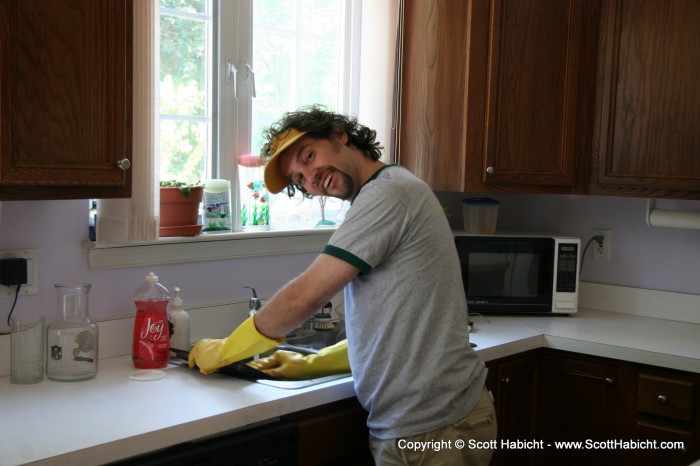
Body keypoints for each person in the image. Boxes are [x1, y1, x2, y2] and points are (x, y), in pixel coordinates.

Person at [188, 106, 497, 465]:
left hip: (435, 428)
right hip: (429, 422)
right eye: (299, 179)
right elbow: (392, 328)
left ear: (339, 135)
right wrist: (315, 362)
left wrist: (227, 349)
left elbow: (306, 295)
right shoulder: (387, 192)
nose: (311, 178)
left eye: (309, 156)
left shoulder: (389, 194)